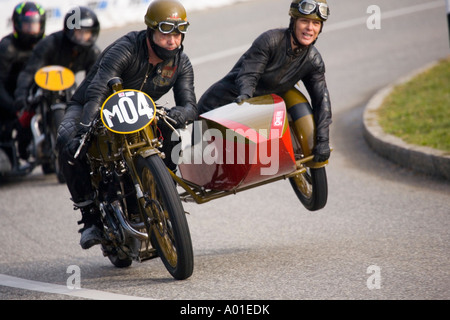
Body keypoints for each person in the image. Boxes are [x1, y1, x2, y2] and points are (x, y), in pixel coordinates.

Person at [57, 0, 197, 249]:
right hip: (92, 104)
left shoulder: (180, 62)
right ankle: (90, 219)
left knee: (172, 131)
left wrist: (179, 114)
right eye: (166, 32)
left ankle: (164, 191)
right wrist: (84, 127)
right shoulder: (126, 49)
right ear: (151, 30)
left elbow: (189, 105)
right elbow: (98, 89)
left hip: (139, 109)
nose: (172, 40)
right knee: (68, 142)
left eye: (178, 33)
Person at [198, 0, 332, 163]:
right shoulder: (270, 40)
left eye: (316, 23)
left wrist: (323, 140)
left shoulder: (313, 60)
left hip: (264, 108)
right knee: (202, 160)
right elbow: (249, 74)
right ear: (294, 21)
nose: (310, 28)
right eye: (304, 21)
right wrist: (245, 95)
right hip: (223, 104)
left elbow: (321, 100)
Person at [13, 6, 101, 160]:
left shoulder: (93, 52)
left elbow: (97, 78)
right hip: (43, 85)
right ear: (70, 31)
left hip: (68, 85)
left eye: (87, 33)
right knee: (26, 111)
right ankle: (23, 145)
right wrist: (21, 96)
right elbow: (29, 71)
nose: (83, 37)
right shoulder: (49, 43)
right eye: (80, 32)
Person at [0, 2, 46, 165]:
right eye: (27, 25)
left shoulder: (45, 45)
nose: (31, 29)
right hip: (10, 99)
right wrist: (14, 107)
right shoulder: (7, 48)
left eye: (34, 25)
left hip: (37, 98)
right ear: (17, 25)